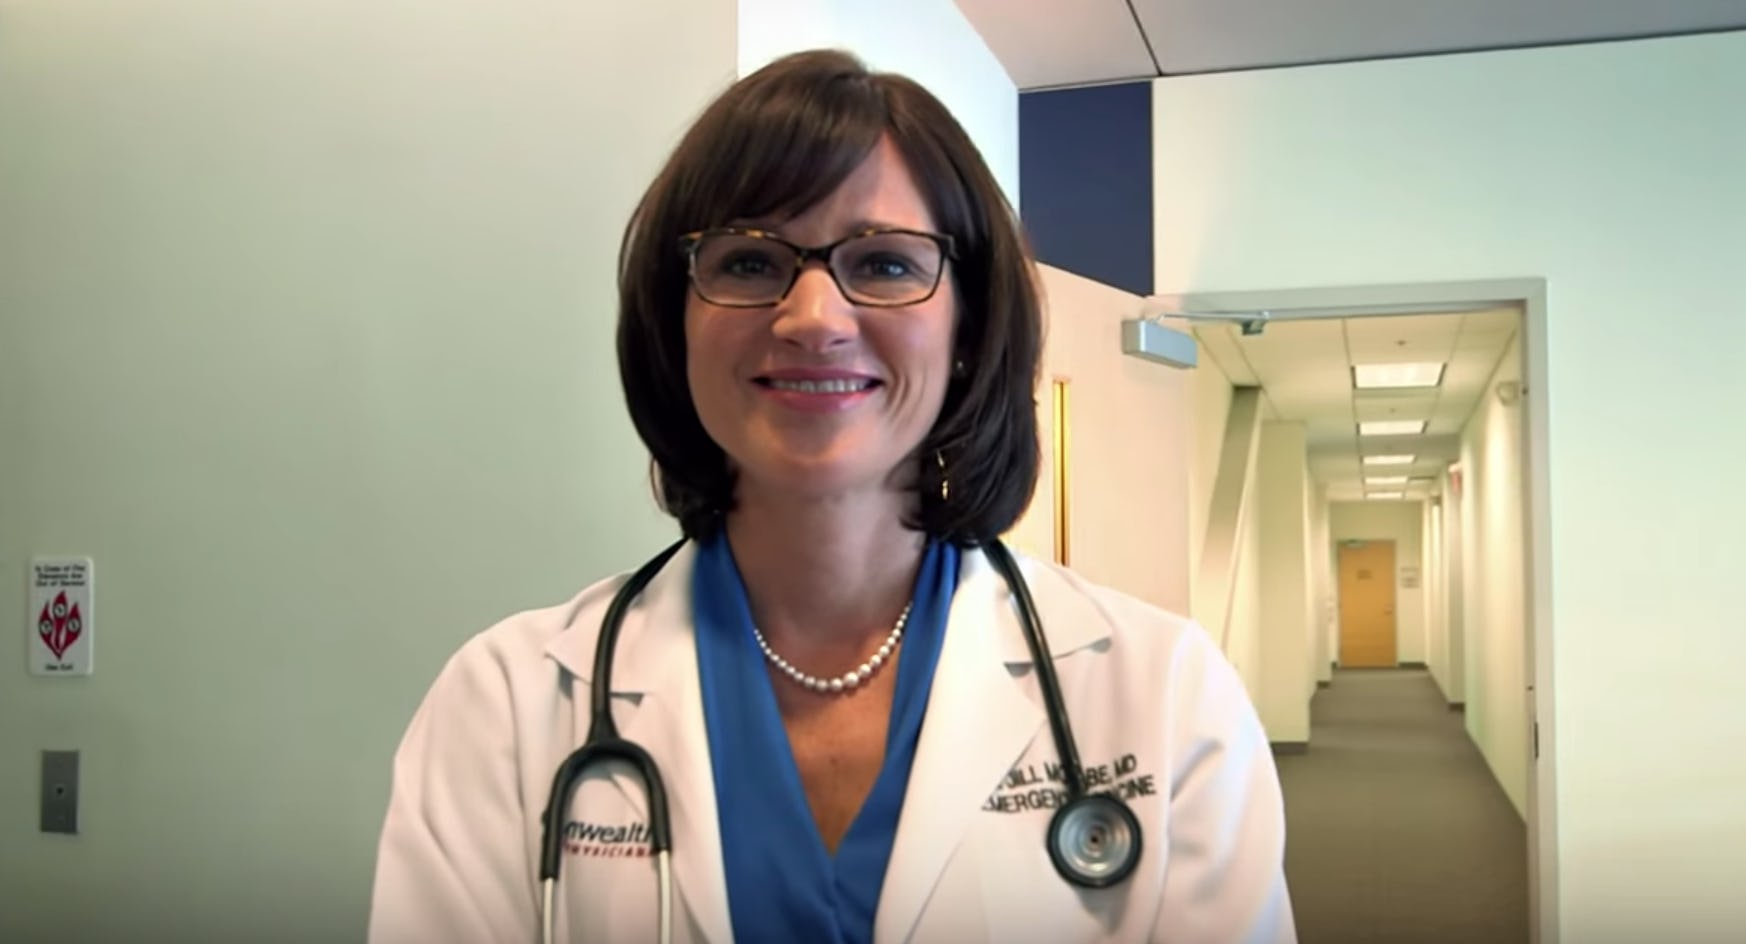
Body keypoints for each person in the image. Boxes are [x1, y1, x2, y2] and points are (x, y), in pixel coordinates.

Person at [368, 49, 1294, 944]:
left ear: (968, 327)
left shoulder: (1165, 694)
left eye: (885, 263)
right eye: (748, 262)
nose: (813, 319)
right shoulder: (507, 706)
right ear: (675, 323)